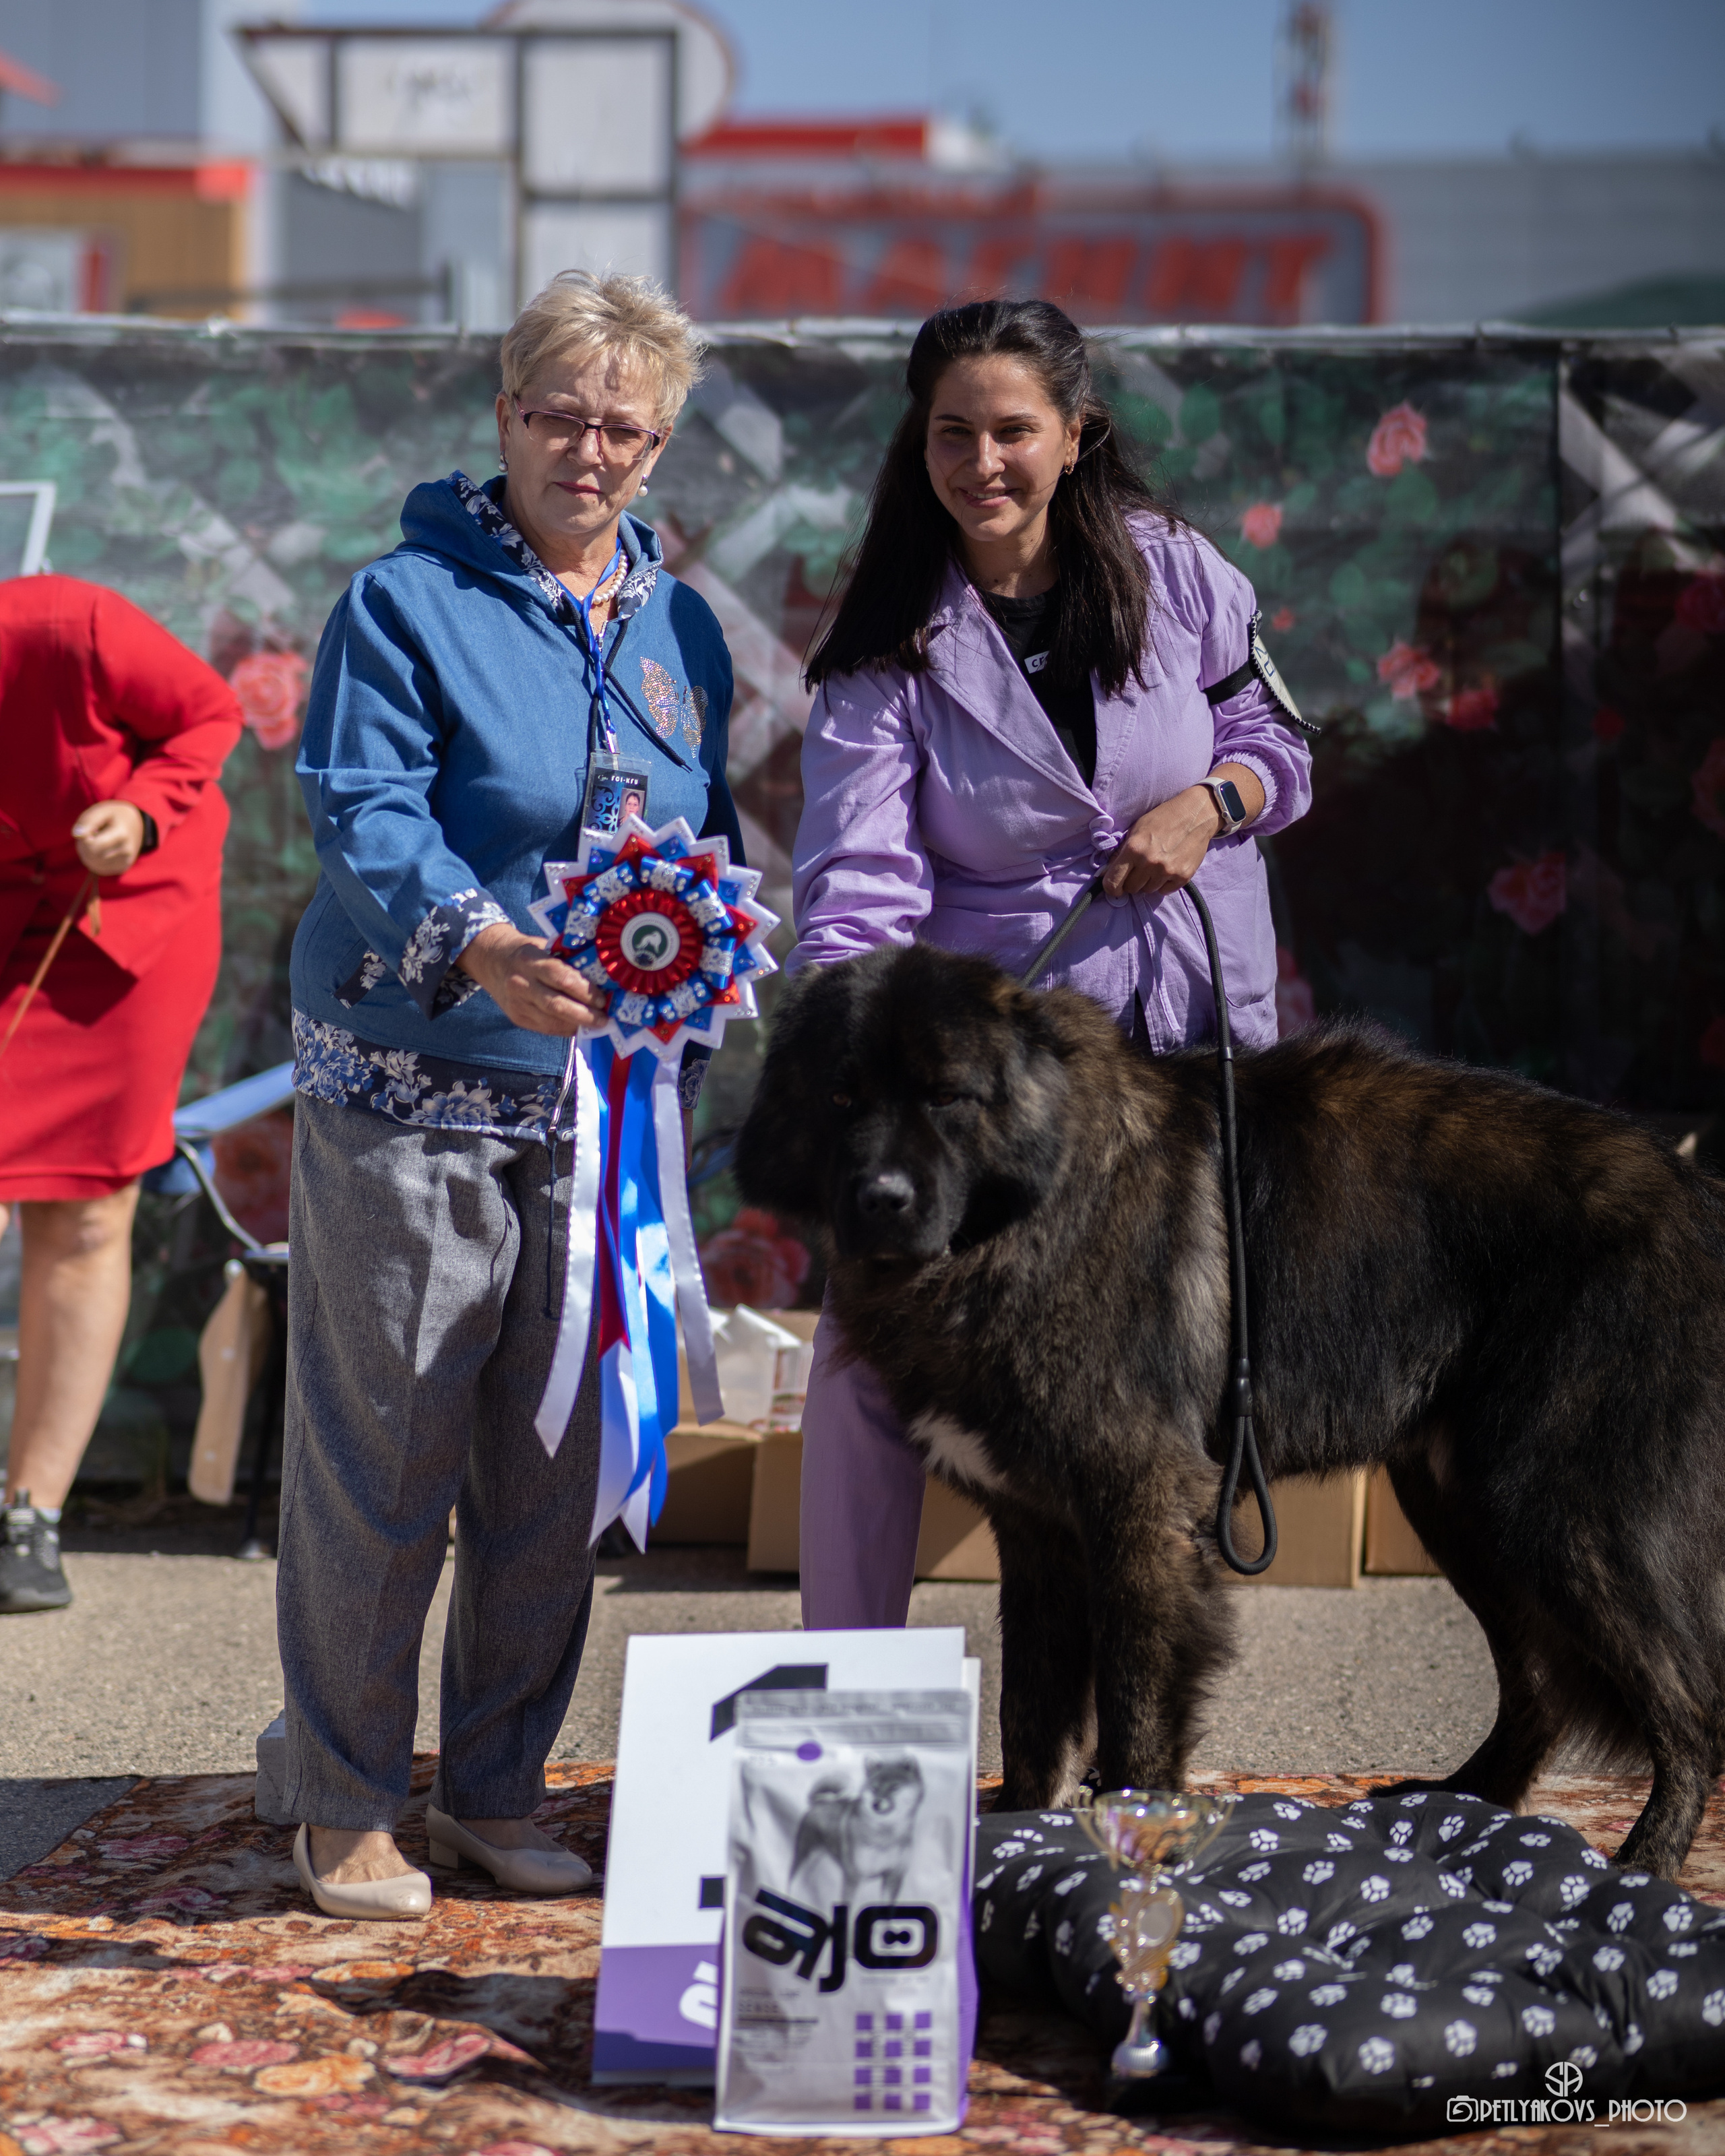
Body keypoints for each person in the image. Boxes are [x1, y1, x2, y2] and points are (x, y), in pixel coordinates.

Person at [281, 270, 741, 1919]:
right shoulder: (400, 602)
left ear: (663, 441)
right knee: (387, 1454)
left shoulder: (681, 626)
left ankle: (490, 1785)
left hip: (601, 1107)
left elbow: (709, 849)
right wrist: (479, 943)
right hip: (411, 1081)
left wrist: (697, 986)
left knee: (556, 1459)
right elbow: (361, 805)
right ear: (503, 409)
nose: (589, 444)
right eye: (559, 408)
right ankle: (339, 1791)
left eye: (624, 422)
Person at [790, 298, 1315, 1628]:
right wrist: (862, 1044)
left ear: (1073, 435)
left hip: (1193, 1031)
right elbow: (855, 879)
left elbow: (1274, 738)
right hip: (997, 1081)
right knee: (867, 1352)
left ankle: (1134, 1714)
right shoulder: (883, 648)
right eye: (950, 433)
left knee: (1163, 1356)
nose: (982, 462)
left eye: (1012, 430)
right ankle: (843, 1674)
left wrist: (1215, 801)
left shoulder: (1182, 571)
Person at [0, 578, 242, 1615]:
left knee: (87, 1214)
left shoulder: (71, 624)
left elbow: (211, 714)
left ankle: (27, 1517)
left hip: (122, 918)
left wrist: (139, 811)